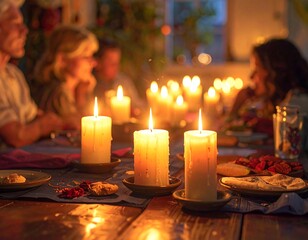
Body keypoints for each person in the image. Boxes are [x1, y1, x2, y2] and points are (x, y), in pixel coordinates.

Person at [0, 0, 63, 148]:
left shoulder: (13, 74)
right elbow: (16, 137)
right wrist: (42, 125)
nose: (24, 30)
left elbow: (34, 116)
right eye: (16, 24)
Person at [228, 38, 308, 134]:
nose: (251, 76)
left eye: (256, 69)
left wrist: (234, 110)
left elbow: (284, 143)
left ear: (274, 72)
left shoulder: (295, 105)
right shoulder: (283, 102)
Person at [32, 25, 99, 129]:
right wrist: (82, 97)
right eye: (86, 57)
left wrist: (81, 93)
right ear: (63, 60)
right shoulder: (58, 92)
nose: (93, 63)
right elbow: (83, 130)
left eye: (92, 56)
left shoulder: (76, 88)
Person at [93, 38, 145, 116]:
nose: (116, 67)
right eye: (111, 63)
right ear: (98, 63)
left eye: (118, 62)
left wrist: (135, 110)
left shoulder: (124, 81)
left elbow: (137, 105)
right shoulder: (90, 84)